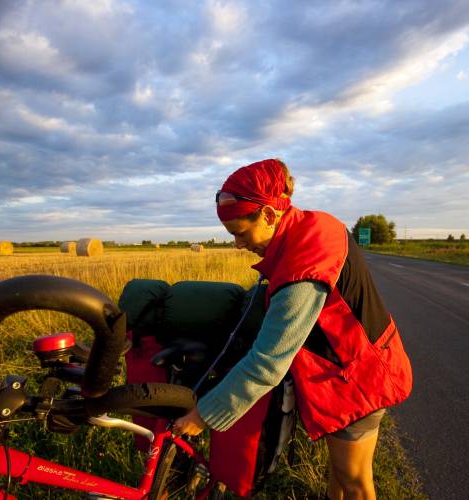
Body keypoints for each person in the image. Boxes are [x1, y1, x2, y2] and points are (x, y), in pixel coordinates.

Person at [173, 159, 413, 500]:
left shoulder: (304, 265)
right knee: (342, 472)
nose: (239, 244)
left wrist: (204, 415)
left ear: (270, 216)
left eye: (241, 233)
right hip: (353, 369)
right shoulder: (314, 226)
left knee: (356, 482)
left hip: (358, 378)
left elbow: (268, 363)